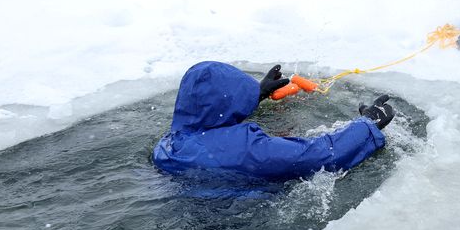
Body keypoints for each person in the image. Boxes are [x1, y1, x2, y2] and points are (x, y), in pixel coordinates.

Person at [152, 61, 395, 182]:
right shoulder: (246, 148)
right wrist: (367, 126)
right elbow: (317, 157)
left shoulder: (169, 143)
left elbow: (212, 117)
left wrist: (254, 96)